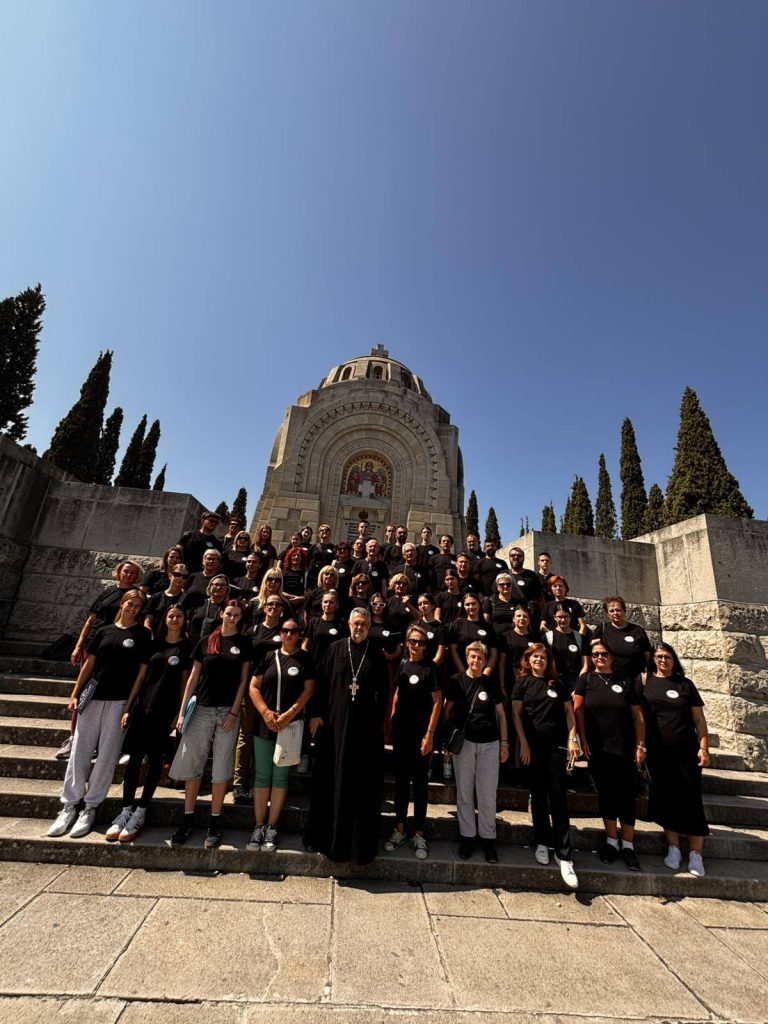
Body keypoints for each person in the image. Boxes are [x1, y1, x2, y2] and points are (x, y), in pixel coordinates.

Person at [48, 589, 152, 839]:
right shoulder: (104, 631)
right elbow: (89, 664)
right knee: (80, 750)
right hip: (93, 695)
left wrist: (129, 705)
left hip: (119, 700)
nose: (132, 608)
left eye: (137, 606)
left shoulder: (142, 635)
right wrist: (75, 693)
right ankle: (70, 805)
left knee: (107, 754)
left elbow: (141, 675)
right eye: (130, 603)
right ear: (122, 604)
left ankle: (90, 806)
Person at [303, 608, 387, 865]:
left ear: (370, 626)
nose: (359, 627)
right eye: (355, 623)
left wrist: (377, 724)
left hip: (365, 733)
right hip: (334, 729)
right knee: (331, 782)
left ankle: (358, 848)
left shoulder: (376, 654)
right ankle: (329, 842)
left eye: (364, 624)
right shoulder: (335, 649)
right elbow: (320, 683)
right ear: (348, 624)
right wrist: (316, 714)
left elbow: (383, 692)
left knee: (361, 786)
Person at [106, 604, 193, 842]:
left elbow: (185, 684)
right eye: (171, 615)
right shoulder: (154, 644)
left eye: (179, 616)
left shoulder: (187, 647)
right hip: (143, 707)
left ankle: (141, 810)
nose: (175, 619)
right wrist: (128, 707)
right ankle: (126, 809)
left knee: (155, 761)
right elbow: (141, 677)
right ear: (165, 619)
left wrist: (179, 713)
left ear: (184, 620)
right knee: (134, 760)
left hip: (165, 711)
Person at [169, 599, 252, 848]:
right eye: (229, 613)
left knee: (221, 766)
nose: (232, 617)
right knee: (194, 764)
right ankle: (187, 818)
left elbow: (243, 681)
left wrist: (234, 712)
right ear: (221, 614)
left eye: (236, 615)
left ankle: (215, 820)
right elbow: (193, 677)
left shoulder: (244, 643)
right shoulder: (206, 641)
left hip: (227, 711)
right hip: (202, 709)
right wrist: (182, 712)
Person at [58, 559, 145, 761]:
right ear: (119, 572)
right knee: (85, 692)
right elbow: (91, 620)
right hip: (96, 644)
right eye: (126, 571)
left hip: (120, 648)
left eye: (133, 573)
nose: (129, 575)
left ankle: (98, 743)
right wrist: (79, 645)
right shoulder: (107, 592)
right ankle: (74, 737)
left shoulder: (137, 596)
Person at [639, 642, 711, 877]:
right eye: (659, 656)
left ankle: (696, 853)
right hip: (658, 752)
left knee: (691, 799)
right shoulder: (646, 683)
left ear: (674, 659)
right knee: (666, 798)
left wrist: (704, 747)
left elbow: (699, 719)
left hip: (687, 751)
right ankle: (674, 847)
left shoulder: (685, 684)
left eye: (667, 656)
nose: (663, 660)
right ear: (653, 659)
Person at [574, 641, 646, 871]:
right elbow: (577, 710)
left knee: (627, 796)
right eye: (595, 655)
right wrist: (582, 739)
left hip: (624, 747)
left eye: (604, 654)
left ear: (611, 657)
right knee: (605, 794)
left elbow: (638, 715)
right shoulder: (586, 680)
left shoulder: (625, 681)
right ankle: (612, 840)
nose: (599, 658)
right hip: (598, 747)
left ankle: (628, 845)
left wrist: (640, 745)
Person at [512, 644, 579, 888]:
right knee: (538, 794)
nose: (538, 660)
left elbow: (569, 713)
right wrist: (523, 743)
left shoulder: (557, 684)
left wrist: (572, 738)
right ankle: (542, 842)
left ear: (548, 661)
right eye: (535, 657)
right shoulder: (522, 683)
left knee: (558, 798)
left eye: (542, 657)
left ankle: (564, 854)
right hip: (533, 747)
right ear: (528, 660)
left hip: (556, 747)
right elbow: (516, 714)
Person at [247, 619, 315, 851]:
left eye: (293, 631)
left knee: (280, 776)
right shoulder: (268, 656)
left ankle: (272, 826)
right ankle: (258, 825)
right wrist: (265, 712)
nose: (289, 634)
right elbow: (253, 686)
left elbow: (309, 690)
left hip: (290, 725)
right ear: (280, 634)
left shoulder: (305, 659)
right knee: (262, 775)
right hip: (265, 723)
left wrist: (289, 714)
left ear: (299, 634)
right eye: (285, 631)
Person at [443, 641, 508, 862]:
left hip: (489, 744)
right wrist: (447, 740)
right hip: (465, 744)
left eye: (480, 657)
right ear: (467, 657)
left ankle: (488, 839)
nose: (476, 660)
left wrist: (504, 744)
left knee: (487, 793)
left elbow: (501, 715)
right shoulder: (457, 681)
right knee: (464, 792)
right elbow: (447, 711)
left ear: (485, 660)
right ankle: (468, 837)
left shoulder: (490, 682)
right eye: (473, 656)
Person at [384, 625, 442, 860]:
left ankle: (419, 832)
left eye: (421, 642)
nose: (416, 645)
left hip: (421, 734)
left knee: (419, 784)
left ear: (426, 646)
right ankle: (399, 829)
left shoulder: (431, 668)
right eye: (413, 641)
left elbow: (437, 701)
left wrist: (430, 734)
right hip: (402, 732)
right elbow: (397, 692)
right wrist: (392, 718)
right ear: (407, 643)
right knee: (400, 782)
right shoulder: (403, 664)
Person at [592, 596, 652, 679]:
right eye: (611, 611)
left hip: (635, 678)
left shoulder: (638, 630)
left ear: (624, 611)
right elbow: (594, 652)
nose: (615, 613)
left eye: (618, 610)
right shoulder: (602, 629)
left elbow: (647, 656)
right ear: (607, 614)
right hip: (610, 678)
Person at [449, 592, 498, 678]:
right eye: (467, 604)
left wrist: (485, 675)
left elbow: (493, 653)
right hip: (461, 674)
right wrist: (464, 674)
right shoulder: (457, 624)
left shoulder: (488, 627)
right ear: (463, 607)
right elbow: (453, 651)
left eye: (473, 603)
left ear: (479, 605)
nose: (471, 607)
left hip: (482, 675)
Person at [542, 604, 588, 692]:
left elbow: (585, 665)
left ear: (570, 617)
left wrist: (580, 685)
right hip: (554, 681)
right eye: (560, 617)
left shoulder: (580, 638)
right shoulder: (547, 637)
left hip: (575, 682)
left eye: (566, 616)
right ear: (555, 617)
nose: (563, 620)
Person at [143, 563, 189, 635]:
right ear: (170, 575)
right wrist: (149, 634)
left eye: (185, 576)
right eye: (177, 575)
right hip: (155, 637)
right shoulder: (156, 597)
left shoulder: (188, 599)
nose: (181, 578)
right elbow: (148, 621)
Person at [186, 574, 230, 642]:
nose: (219, 587)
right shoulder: (198, 604)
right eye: (216, 584)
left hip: (216, 645)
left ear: (227, 589)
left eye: (223, 585)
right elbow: (186, 623)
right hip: (192, 644)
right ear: (210, 587)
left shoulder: (228, 608)